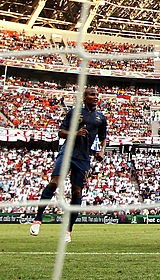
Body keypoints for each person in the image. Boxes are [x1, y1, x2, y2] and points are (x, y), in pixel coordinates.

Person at [29, 87, 108, 243]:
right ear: (84, 98)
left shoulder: (101, 118)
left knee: (77, 192)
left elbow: (103, 137)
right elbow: (61, 132)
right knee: (54, 182)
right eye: (92, 94)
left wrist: (101, 151)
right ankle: (38, 219)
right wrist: (75, 133)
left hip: (84, 157)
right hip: (67, 152)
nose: (95, 97)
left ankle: (68, 230)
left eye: (96, 95)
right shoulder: (74, 112)